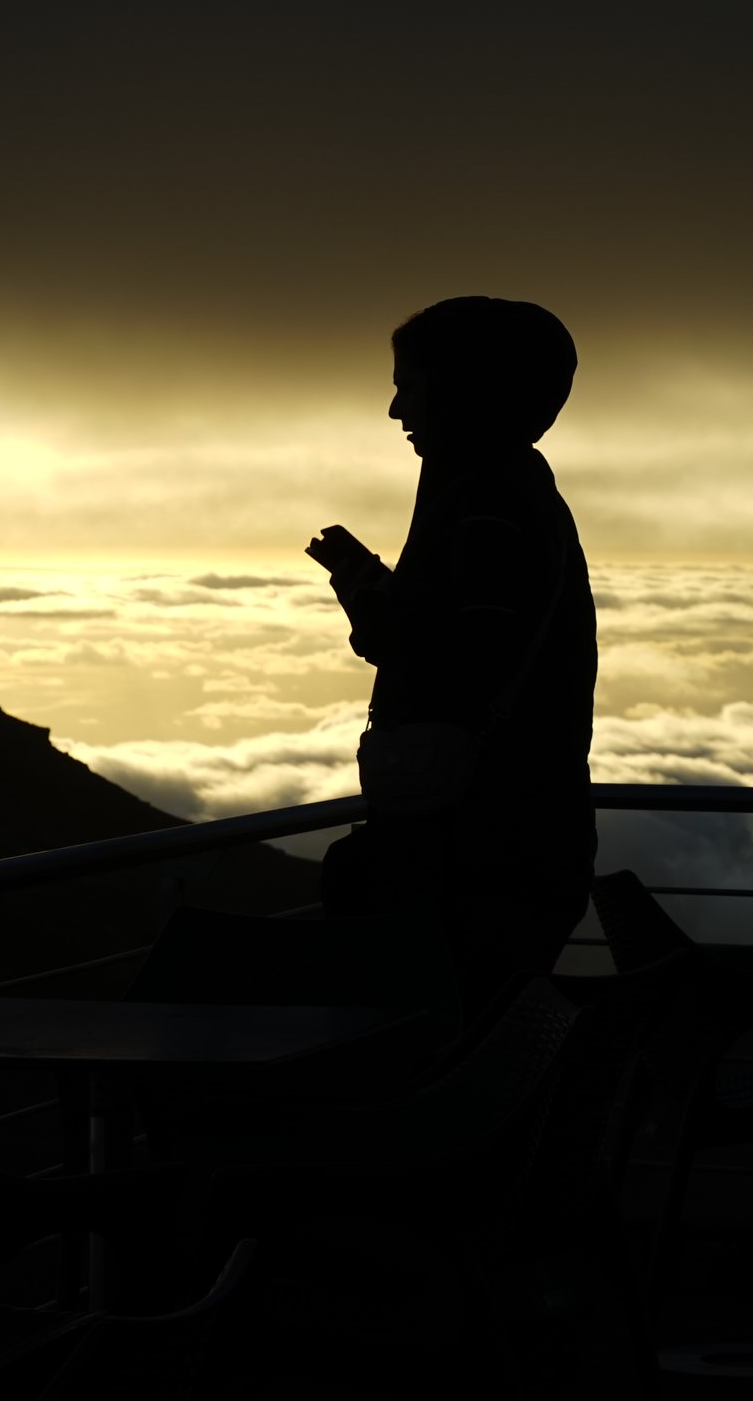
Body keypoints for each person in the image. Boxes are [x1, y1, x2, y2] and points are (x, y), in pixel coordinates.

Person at [306, 297, 597, 1013]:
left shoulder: (488, 502)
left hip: (480, 850)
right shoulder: (512, 490)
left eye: (412, 382)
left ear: (465, 386)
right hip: (513, 841)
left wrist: (369, 597)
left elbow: (458, 661)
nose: (396, 408)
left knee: (446, 1040)